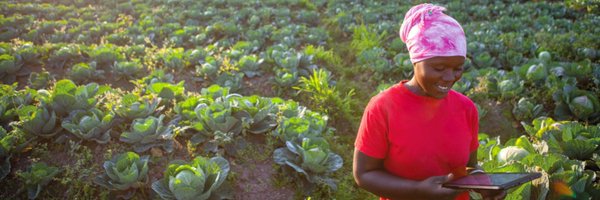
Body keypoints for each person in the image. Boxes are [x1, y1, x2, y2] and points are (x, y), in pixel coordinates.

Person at [352, 4, 505, 200]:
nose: (450, 77)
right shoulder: (383, 107)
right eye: (439, 68)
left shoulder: (466, 108)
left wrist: (483, 184)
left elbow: (469, 167)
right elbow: (364, 174)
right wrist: (417, 190)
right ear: (416, 61)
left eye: (458, 68)